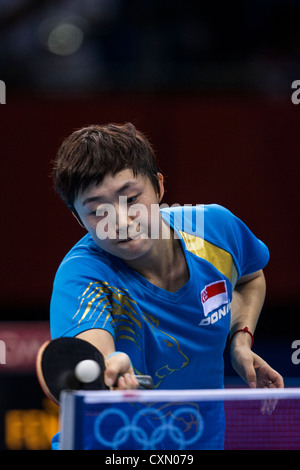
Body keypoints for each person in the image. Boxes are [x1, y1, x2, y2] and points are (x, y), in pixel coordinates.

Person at [50, 122, 283, 449]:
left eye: (130, 198)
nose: (119, 220)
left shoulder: (215, 230)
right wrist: (108, 366)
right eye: (97, 211)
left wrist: (240, 340)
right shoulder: (81, 275)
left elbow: (249, 277)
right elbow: (90, 351)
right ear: (78, 219)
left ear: (158, 187)